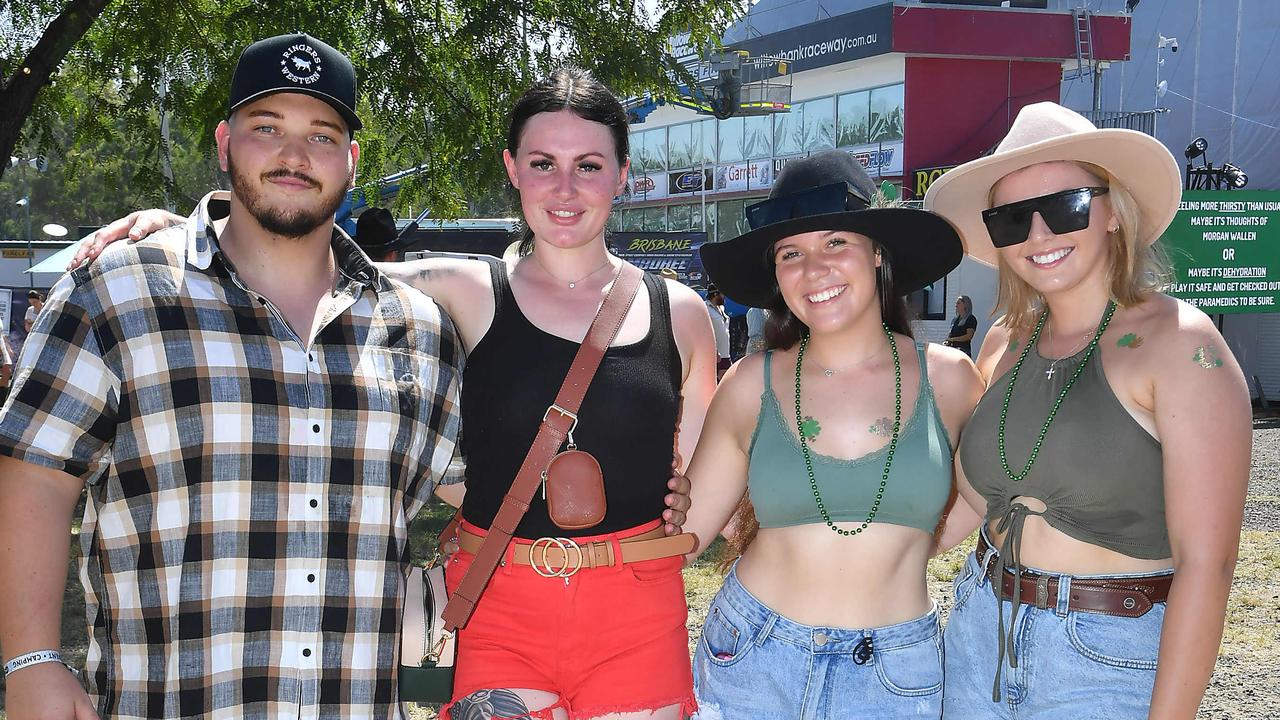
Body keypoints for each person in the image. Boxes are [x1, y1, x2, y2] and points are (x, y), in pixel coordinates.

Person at [76, 67, 713, 720]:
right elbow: (294, 251)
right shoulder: (459, 291)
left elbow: (689, 488)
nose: (565, 188)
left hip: (638, 613)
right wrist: (190, 227)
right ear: (513, 169)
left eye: (589, 165)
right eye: (543, 162)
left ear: (624, 172)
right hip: (497, 607)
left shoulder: (683, 316)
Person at [0, 33, 466, 720]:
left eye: (322, 135)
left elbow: (466, 485)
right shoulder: (118, 293)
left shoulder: (418, 329)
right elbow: (34, 475)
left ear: (351, 161)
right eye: (266, 128)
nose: (294, 154)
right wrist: (31, 659)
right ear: (224, 142)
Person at [924, 102, 1251, 718]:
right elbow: (976, 499)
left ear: (1113, 212)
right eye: (1013, 218)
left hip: (1105, 657)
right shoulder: (1005, 341)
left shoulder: (1181, 346)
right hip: (977, 633)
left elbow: (1210, 566)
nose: (1039, 235)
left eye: (1066, 206)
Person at [680, 150, 983, 717]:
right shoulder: (751, 383)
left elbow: (991, 497)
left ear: (878, 255)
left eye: (836, 243)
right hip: (752, 657)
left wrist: (910, 542)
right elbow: (689, 532)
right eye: (791, 254)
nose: (813, 269)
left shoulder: (952, 380)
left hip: (895, 673)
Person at [704, 284, 731, 377]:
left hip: (725, 353)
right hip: (715, 355)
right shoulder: (705, 308)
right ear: (715, 294)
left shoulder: (721, 309)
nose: (724, 297)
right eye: (722, 294)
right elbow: (705, 332)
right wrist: (714, 351)